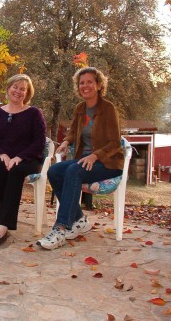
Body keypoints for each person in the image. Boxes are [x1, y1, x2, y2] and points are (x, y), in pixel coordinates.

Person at [38, 67, 124, 250]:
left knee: (73, 170)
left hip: (107, 163)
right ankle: (79, 220)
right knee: (54, 171)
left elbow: (115, 143)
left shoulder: (108, 108)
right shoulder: (80, 109)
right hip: (84, 161)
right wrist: (65, 143)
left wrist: (95, 156)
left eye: (89, 82)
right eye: (81, 83)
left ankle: (60, 228)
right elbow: (72, 132)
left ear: (99, 85)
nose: (85, 86)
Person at [0, 74, 47, 247]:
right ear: (8, 88)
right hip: (1, 157)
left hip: (28, 159)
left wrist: (19, 157)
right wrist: (1, 154)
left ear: (28, 92)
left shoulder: (34, 113)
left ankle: (2, 227)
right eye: (15, 87)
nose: (18, 91)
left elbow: (39, 142)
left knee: (15, 171)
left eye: (23, 89)